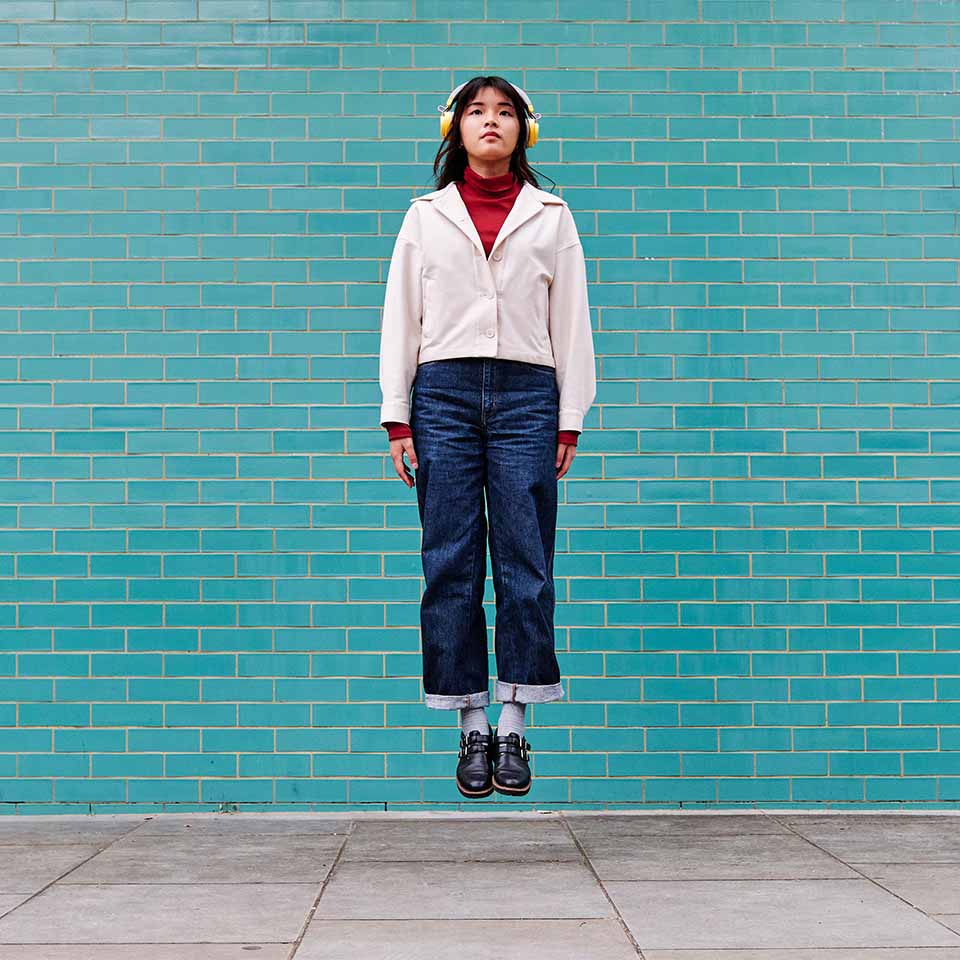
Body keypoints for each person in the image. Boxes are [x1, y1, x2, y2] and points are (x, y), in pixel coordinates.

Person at [378, 75, 596, 799]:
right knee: (449, 558)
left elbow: (573, 323)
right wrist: (398, 416)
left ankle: (514, 722)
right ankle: (469, 721)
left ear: (524, 131)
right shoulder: (424, 217)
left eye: (504, 112)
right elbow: (399, 318)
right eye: (477, 112)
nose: (491, 122)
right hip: (440, 394)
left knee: (525, 561)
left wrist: (569, 416)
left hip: (527, 396)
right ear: (456, 128)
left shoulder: (553, 216)